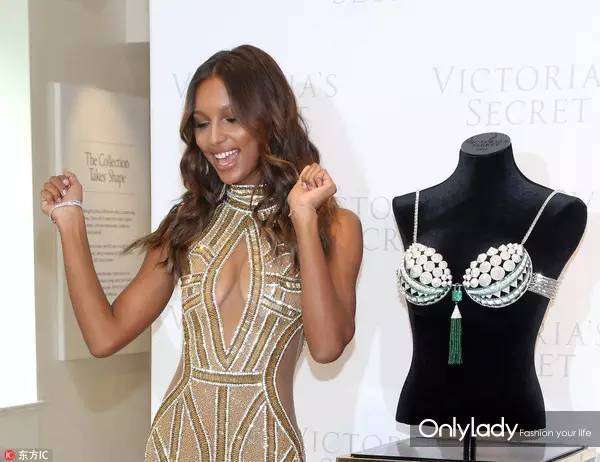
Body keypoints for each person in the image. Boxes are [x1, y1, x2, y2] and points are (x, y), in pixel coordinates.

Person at [40, 44, 363, 462]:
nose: (214, 139)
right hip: (176, 443)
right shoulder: (188, 222)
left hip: (266, 449)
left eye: (231, 118)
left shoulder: (334, 226)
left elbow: (326, 347)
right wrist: (70, 222)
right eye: (202, 123)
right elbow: (104, 336)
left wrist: (302, 217)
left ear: (269, 117)